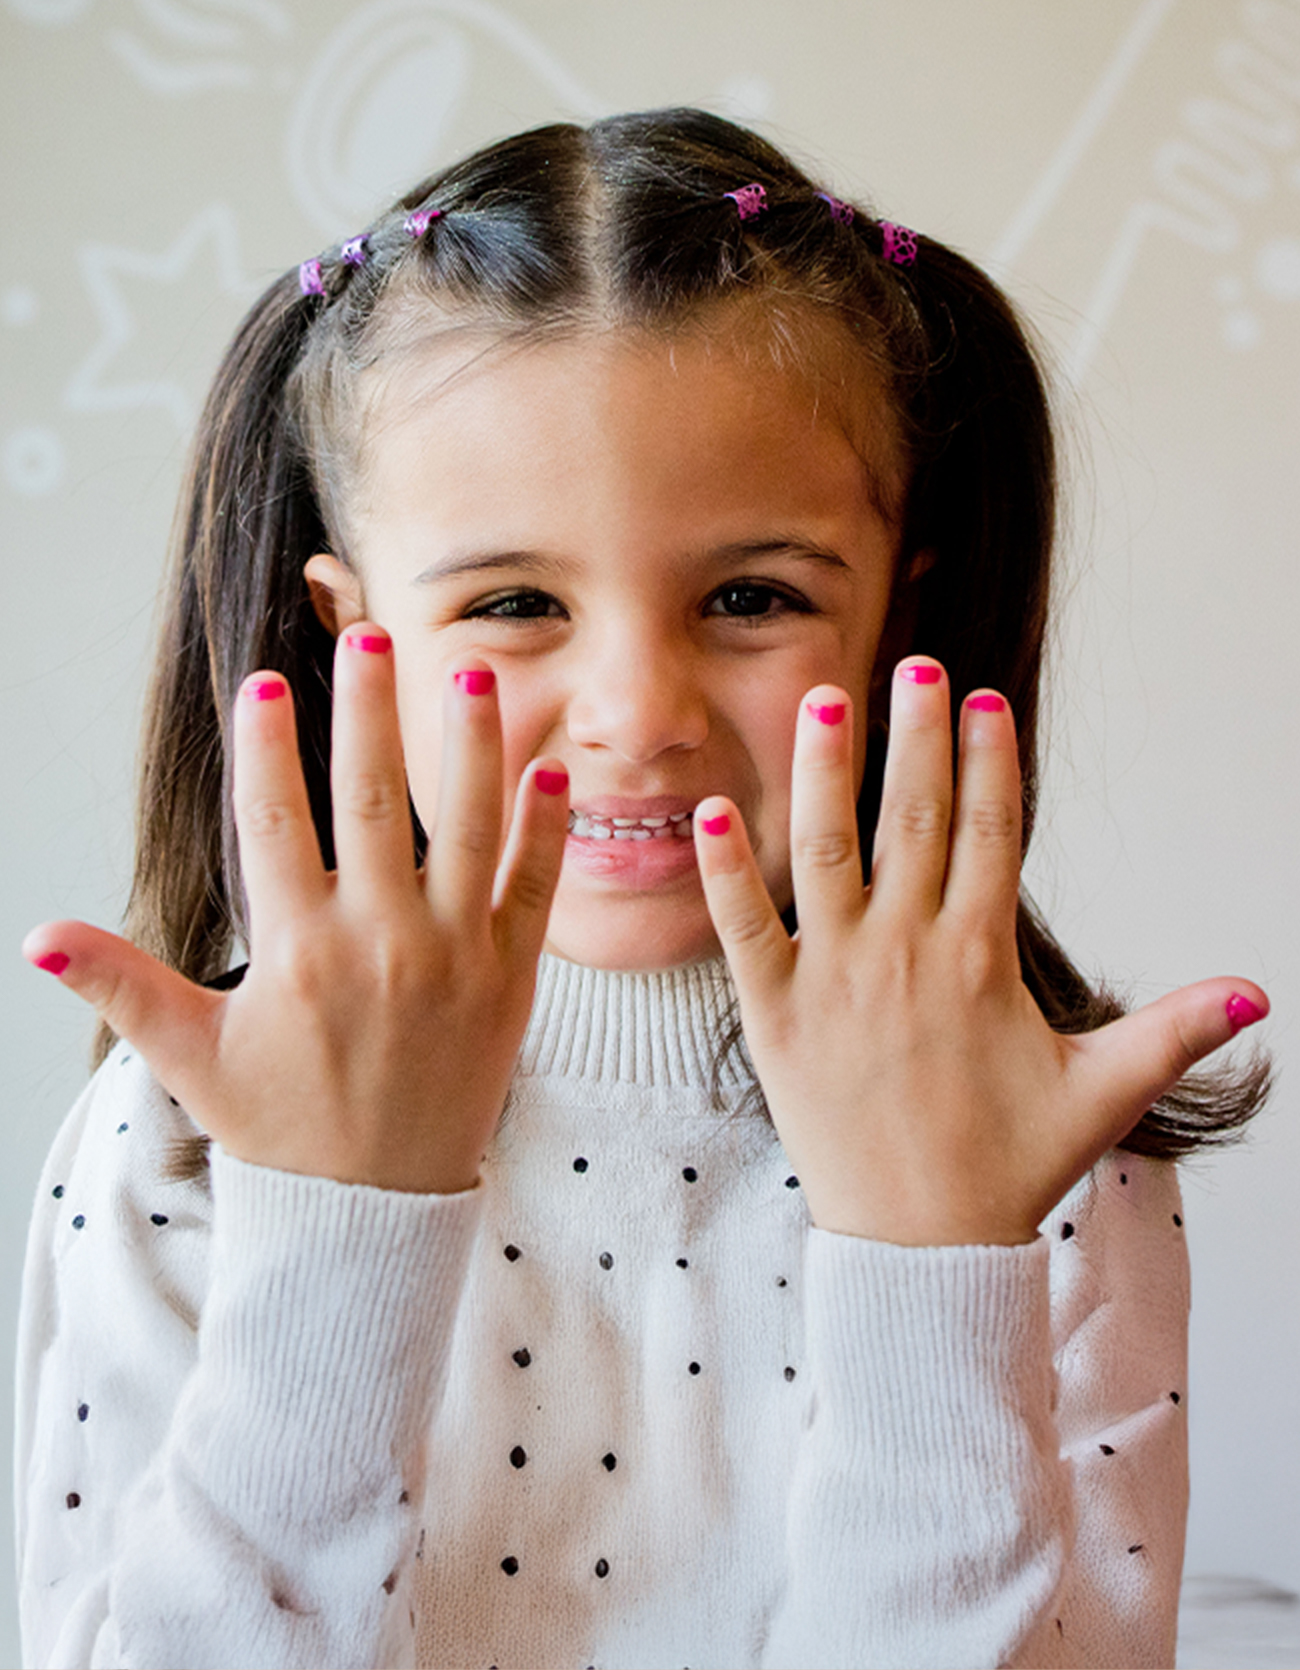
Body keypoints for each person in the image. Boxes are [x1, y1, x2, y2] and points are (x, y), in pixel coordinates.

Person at [16, 107, 1269, 1670]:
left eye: (750, 595)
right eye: (513, 601)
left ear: (896, 620)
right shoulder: (187, 1127)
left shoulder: (1033, 1135)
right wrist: (340, 1231)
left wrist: (934, 1262)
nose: (637, 712)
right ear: (352, 632)